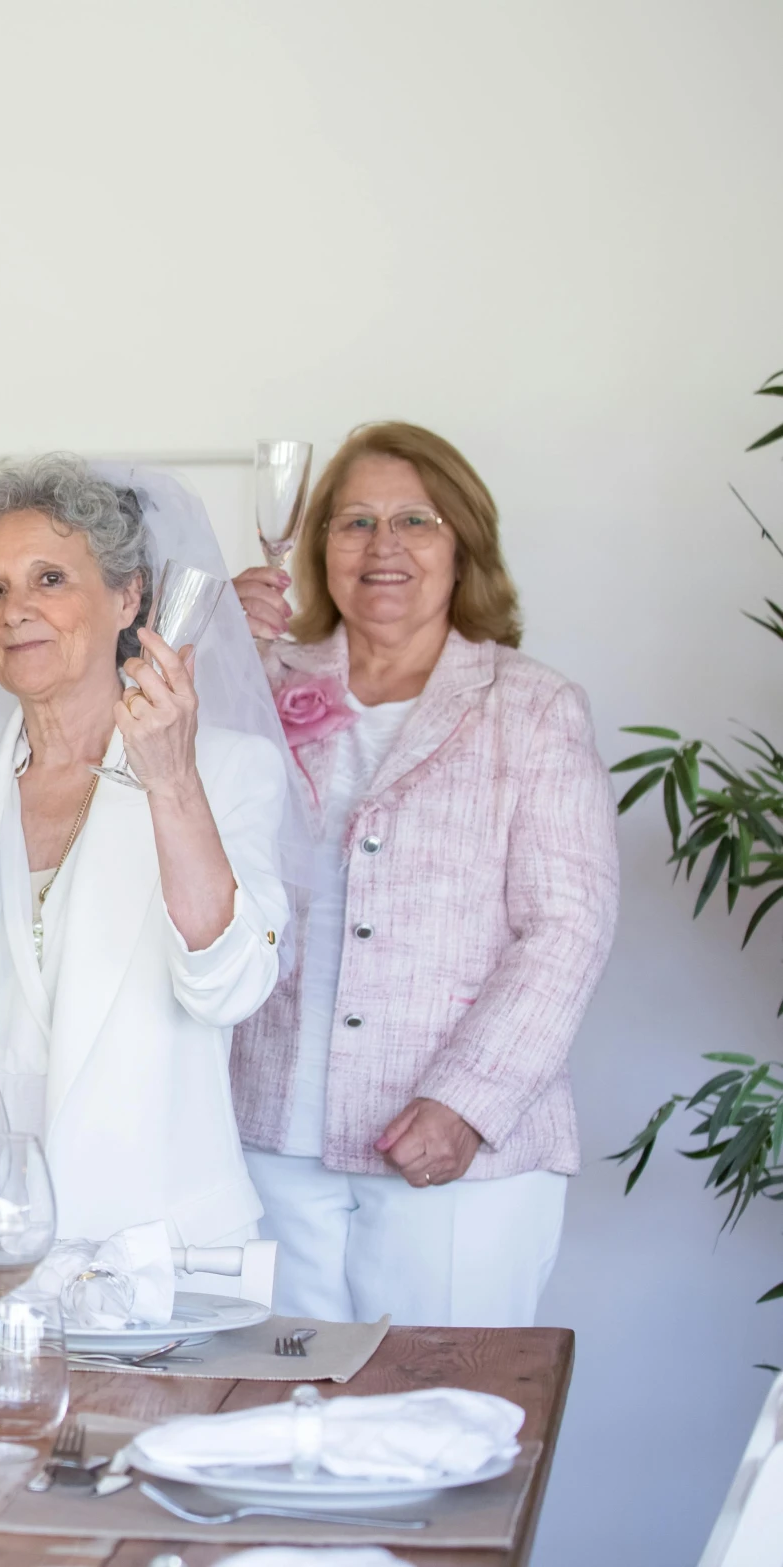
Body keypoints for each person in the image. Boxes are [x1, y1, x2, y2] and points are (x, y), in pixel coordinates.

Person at [229, 421, 618, 1327]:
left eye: (417, 519)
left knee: (437, 1429)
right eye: (355, 521)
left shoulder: (532, 706)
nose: (383, 546)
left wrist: (465, 1102)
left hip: (456, 1154)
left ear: (464, 545)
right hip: (266, 1140)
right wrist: (225, 660)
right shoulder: (257, 681)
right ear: (319, 546)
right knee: (273, 1430)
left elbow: (568, 926)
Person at [0, 456, 290, 1250]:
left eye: (50, 578)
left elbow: (230, 984)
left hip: (148, 1242)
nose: (16, 611)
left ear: (128, 597)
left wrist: (172, 782)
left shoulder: (227, 769)